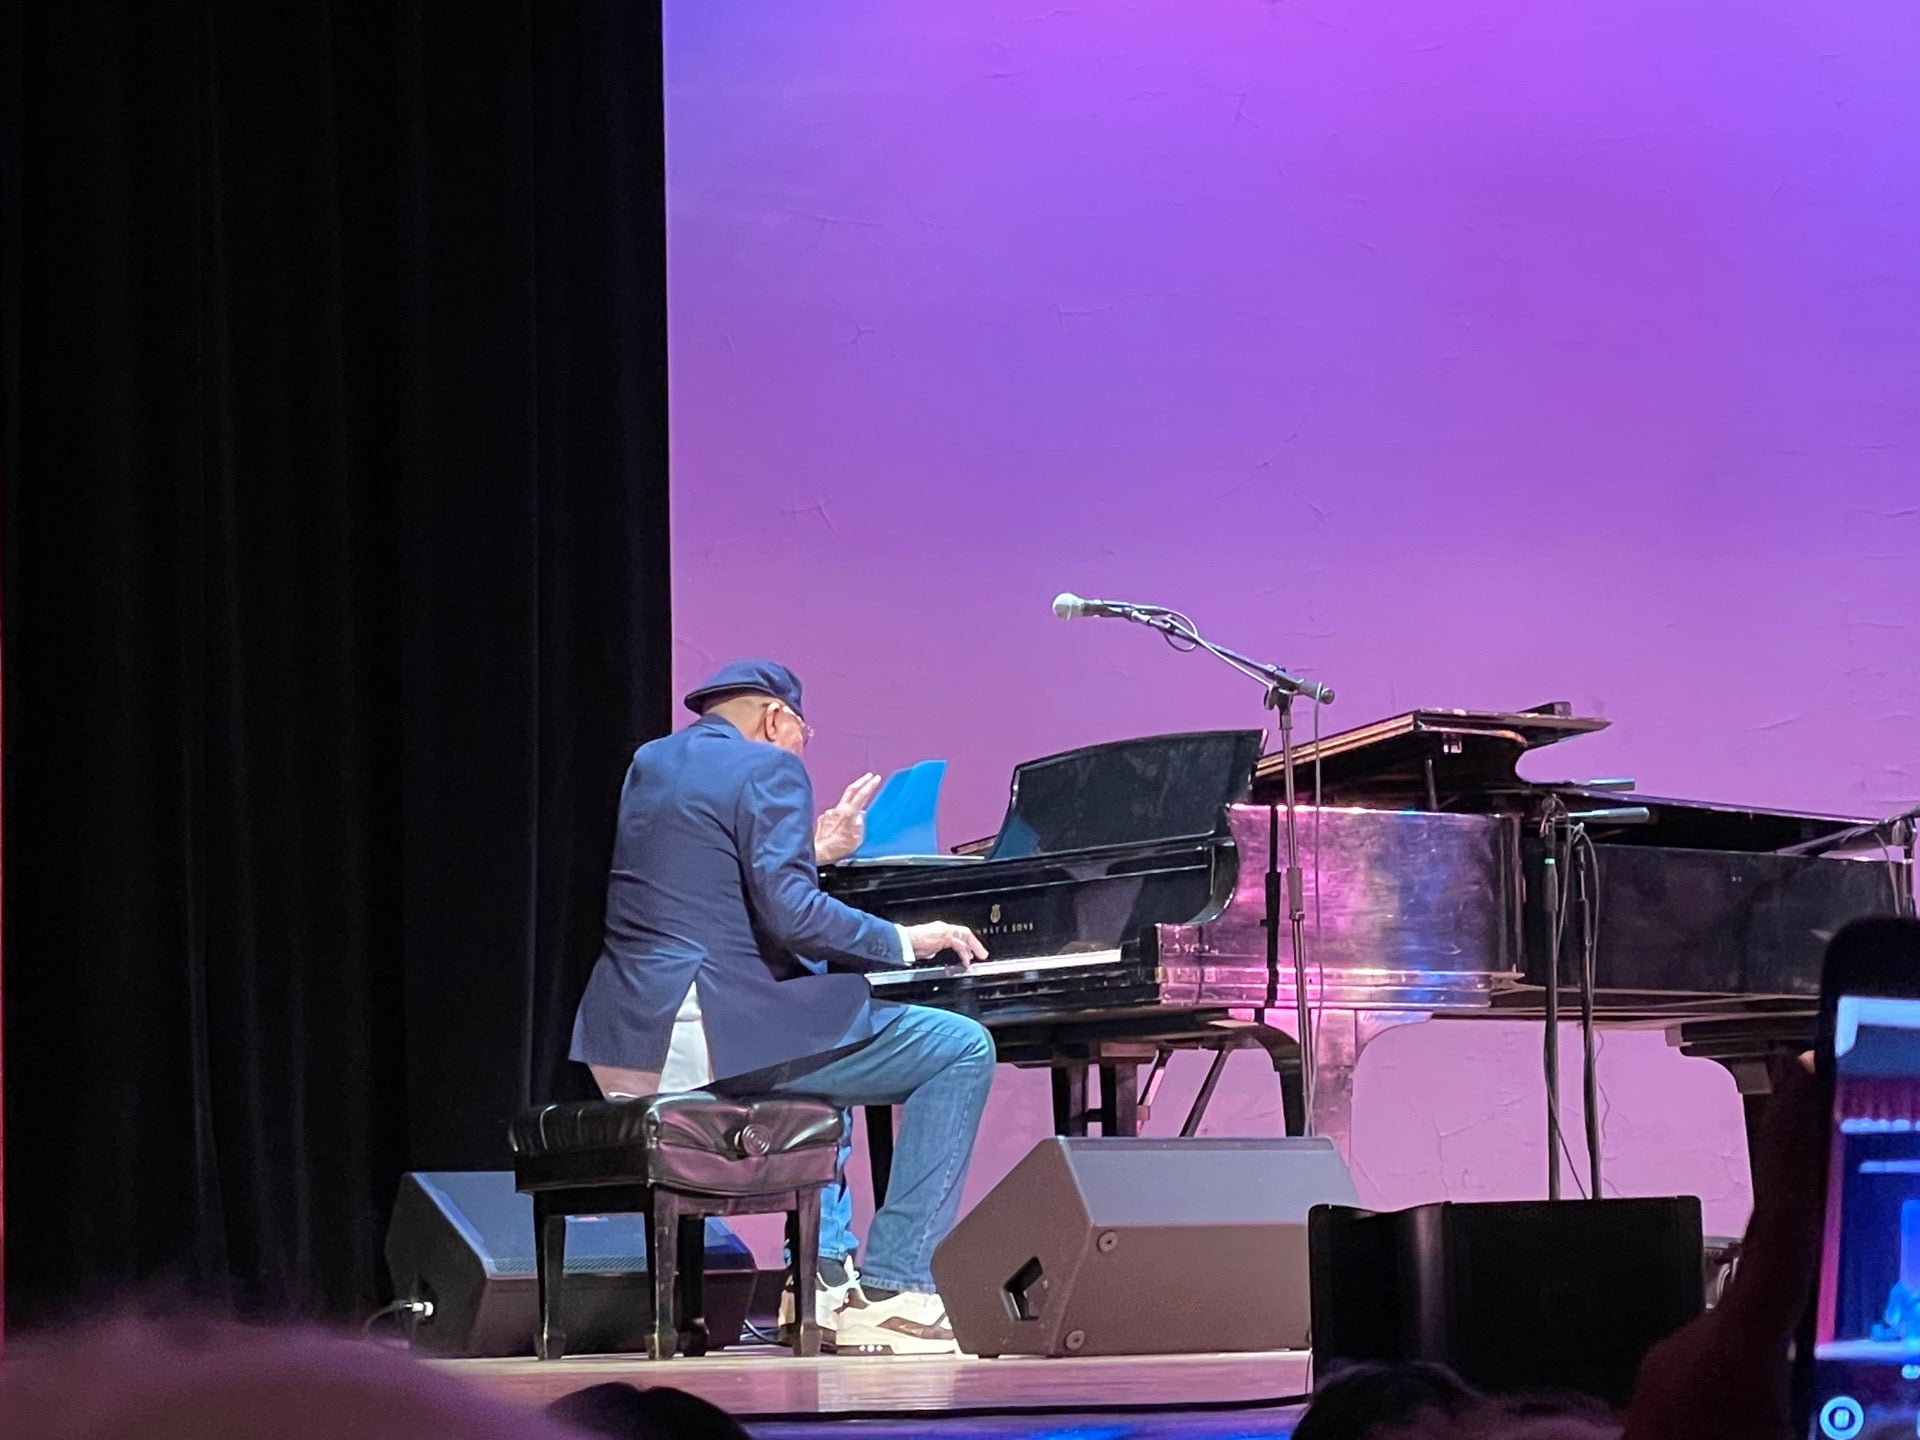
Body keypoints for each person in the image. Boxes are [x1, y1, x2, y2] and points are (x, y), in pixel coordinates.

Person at [569, 659, 994, 1356]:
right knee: (959, 1047)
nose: (802, 750)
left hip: (626, 1038)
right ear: (774, 719)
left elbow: (706, 881)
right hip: (711, 1030)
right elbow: (792, 916)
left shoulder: (652, 764)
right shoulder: (770, 770)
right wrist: (904, 938)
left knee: (828, 1024)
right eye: (802, 733)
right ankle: (897, 1292)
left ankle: (823, 1278)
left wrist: (813, 849)